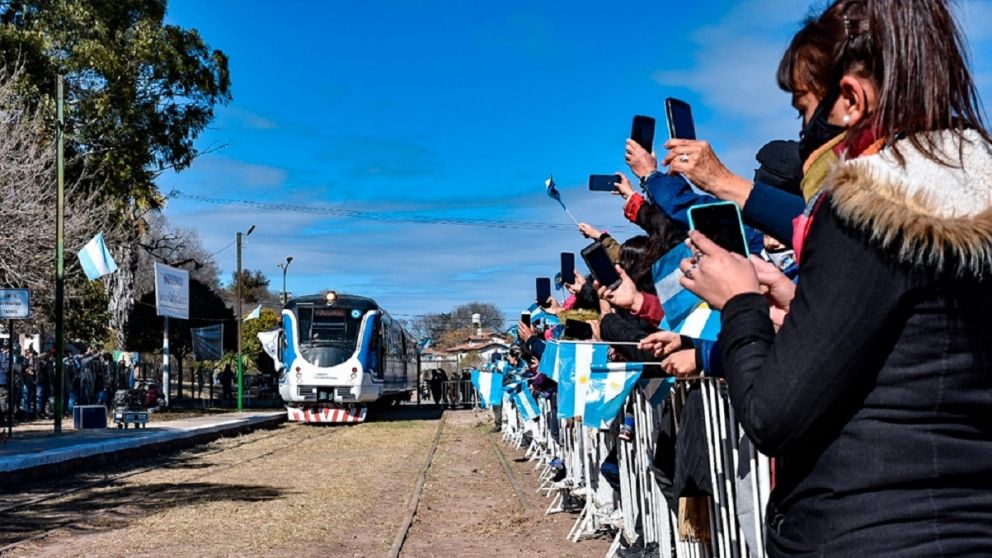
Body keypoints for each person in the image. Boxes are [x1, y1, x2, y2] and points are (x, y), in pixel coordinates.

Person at [678, 0, 992, 554]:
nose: (804, 131)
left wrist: (740, 304)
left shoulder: (867, 209)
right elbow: (918, 351)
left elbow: (772, 415)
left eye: (804, 108)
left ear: (849, 100)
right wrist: (804, 304)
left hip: (865, 526)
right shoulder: (967, 194)